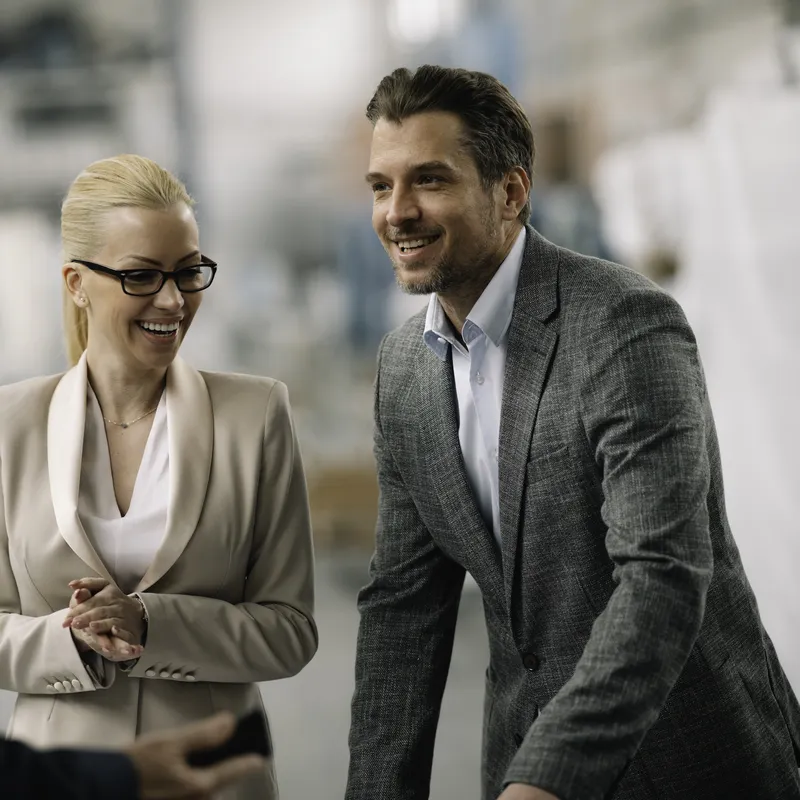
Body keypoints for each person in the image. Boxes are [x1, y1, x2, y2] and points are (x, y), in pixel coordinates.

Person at [346, 65, 800, 800]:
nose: (397, 212)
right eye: (380, 186)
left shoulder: (623, 325)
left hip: (689, 761)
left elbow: (661, 576)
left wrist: (545, 779)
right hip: (520, 755)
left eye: (429, 180)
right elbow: (404, 607)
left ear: (511, 192)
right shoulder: (402, 370)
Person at [0, 154, 318, 800]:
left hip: (215, 778)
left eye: (188, 272)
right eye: (141, 275)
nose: (173, 300)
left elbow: (291, 630)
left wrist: (150, 623)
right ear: (76, 283)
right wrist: (75, 639)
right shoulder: (10, 423)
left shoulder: (256, 414)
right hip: (62, 779)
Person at [1, 711, 263, 800]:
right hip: (56, 746)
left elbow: (285, 627)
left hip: (207, 746)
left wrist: (150, 625)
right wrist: (69, 639)